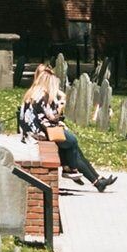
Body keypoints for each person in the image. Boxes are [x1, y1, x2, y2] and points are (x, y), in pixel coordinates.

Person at [20, 64, 113, 192]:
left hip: (33, 132)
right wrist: (61, 103)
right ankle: (71, 168)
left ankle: (97, 180)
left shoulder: (33, 93)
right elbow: (52, 116)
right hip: (40, 134)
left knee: (74, 148)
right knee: (73, 141)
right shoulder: (42, 95)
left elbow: (42, 117)